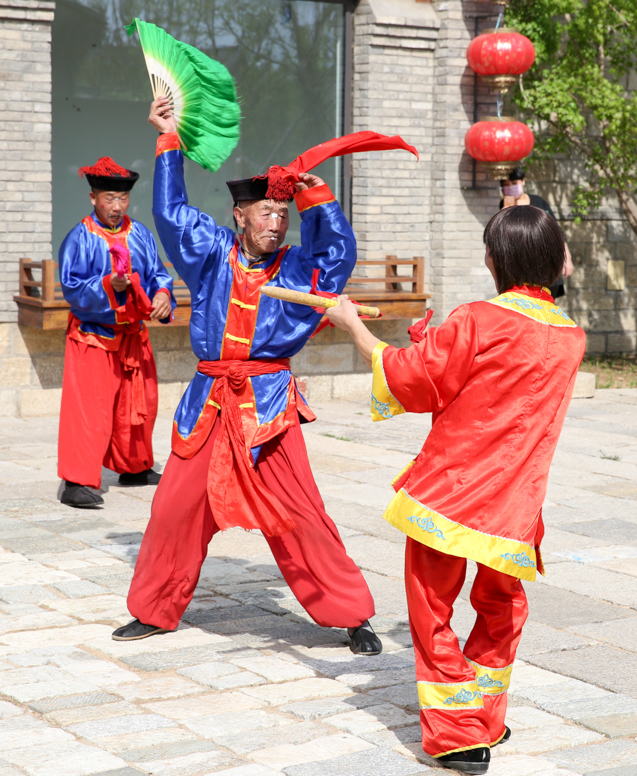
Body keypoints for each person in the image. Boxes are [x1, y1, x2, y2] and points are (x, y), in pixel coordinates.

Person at [112, 96, 386, 656]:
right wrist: (168, 140)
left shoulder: (299, 269)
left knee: (301, 514)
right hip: (210, 402)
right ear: (240, 215)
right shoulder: (210, 254)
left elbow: (338, 256)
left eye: (284, 215)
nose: (276, 222)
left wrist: (315, 196)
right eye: (266, 212)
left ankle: (351, 614)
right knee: (173, 509)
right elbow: (170, 214)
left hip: (267, 407)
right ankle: (155, 610)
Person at [324, 206, 586, 774]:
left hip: (452, 494)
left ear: (496, 260)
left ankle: (458, 734)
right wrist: (438, 339)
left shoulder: (477, 320)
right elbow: (492, 384)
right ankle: (486, 715)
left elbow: (411, 378)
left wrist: (353, 325)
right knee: (502, 608)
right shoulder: (572, 338)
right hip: (516, 505)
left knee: (432, 610)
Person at [58, 157, 176, 509]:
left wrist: (162, 295)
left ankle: (134, 466)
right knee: (89, 411)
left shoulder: (139, 233)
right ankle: (76, 481)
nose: (116, 206)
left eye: (122, 199)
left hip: (133, 335)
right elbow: (72, 288)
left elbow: (158, 274)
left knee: (139, 404)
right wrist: (110, 284)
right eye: (109, 198)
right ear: (93, 198)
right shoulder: (80, 237)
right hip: (93, 337)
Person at [500, 165, 574, 298]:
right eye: (506, 184)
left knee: (547, 307)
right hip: (522, 269)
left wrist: (567, 259)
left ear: (523, 181)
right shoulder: (504, 206)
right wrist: (505, 212)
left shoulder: (538, 202)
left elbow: (556, 230)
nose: (510, 186)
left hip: (547, 262)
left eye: (514, 183)